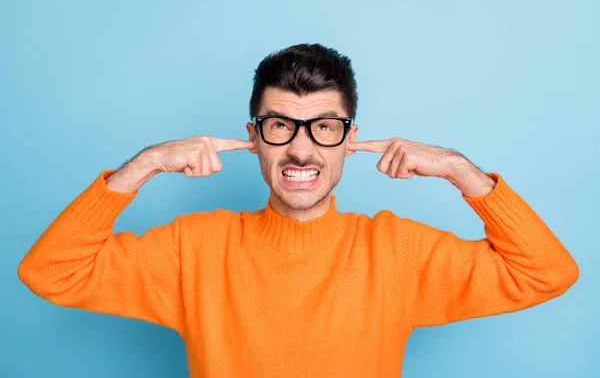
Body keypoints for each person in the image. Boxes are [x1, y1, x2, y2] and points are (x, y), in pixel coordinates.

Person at [18, 43, 579, 378]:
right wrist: (137, 169)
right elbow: (49, 273)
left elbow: (549, 273)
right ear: (254, 137)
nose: (302, 149)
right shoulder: (194, 248)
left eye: (324, 128)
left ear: (350, 138)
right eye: (281, 126)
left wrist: (463, 172)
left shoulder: (397, 251)